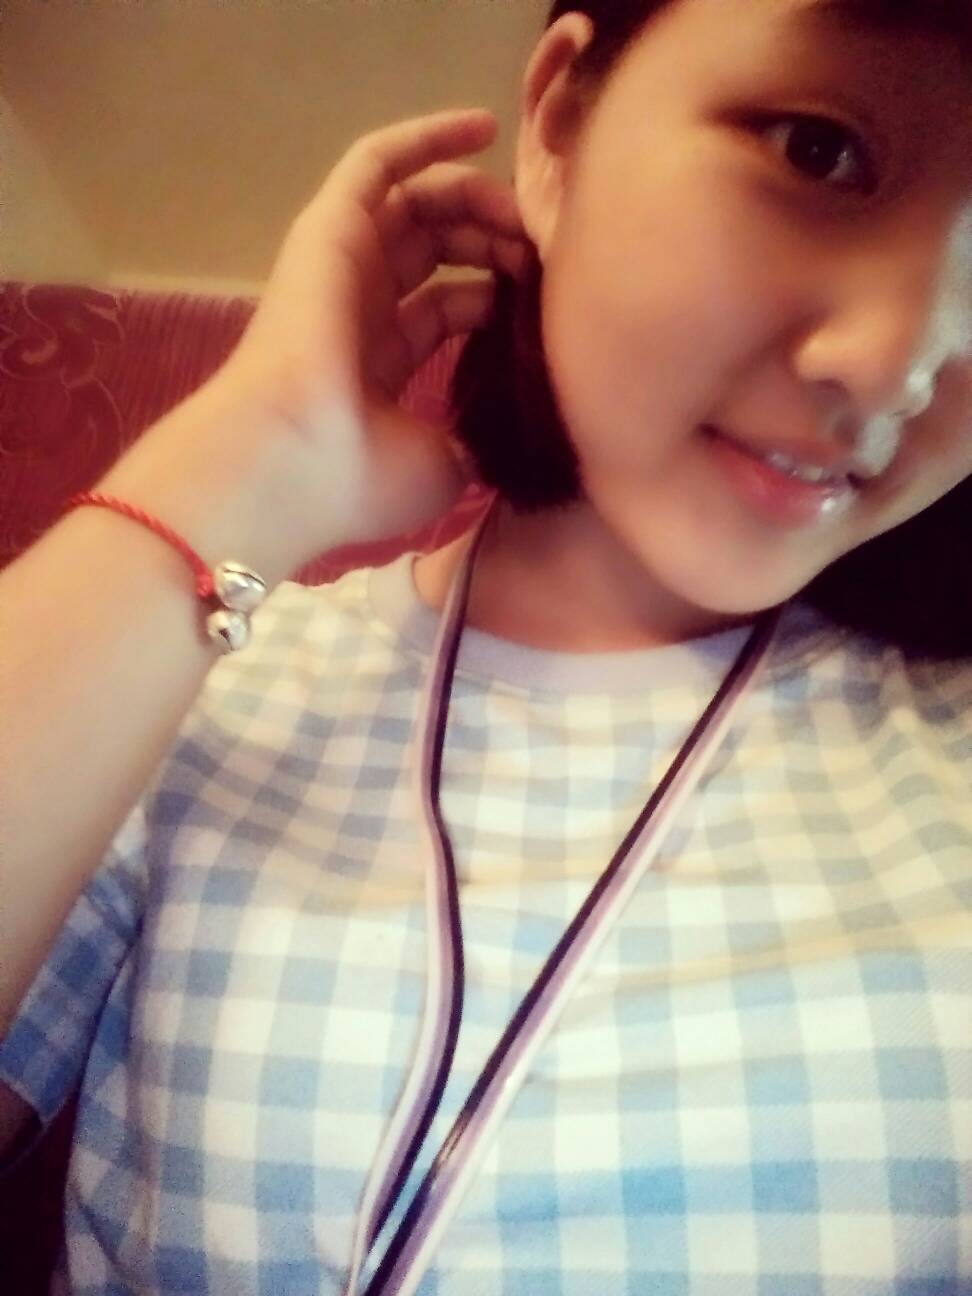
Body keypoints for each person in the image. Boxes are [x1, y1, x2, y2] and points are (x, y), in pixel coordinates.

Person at [1, 0, 971, 1290]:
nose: (898, 363)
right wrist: (246, 463)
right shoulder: (202, 683)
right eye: (818, 150)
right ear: (560, 129)